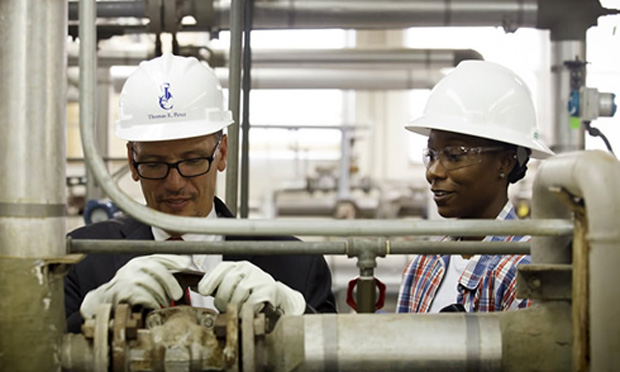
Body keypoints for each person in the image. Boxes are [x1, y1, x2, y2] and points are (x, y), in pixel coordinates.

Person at [65, 53, 336, 333]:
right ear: (133, 162)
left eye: (193, 161)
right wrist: (90, 313)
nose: (174, 183)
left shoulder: (295, 263)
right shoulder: (81, 258)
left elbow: (340, 358)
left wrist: (294, 313)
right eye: (154, 164)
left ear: (222, 153)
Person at [396, 60, 554, 313]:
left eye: (454, 155)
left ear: (504, 162)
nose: (433, 172)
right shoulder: (423, 264)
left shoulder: (526, 272)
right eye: (432, 154)